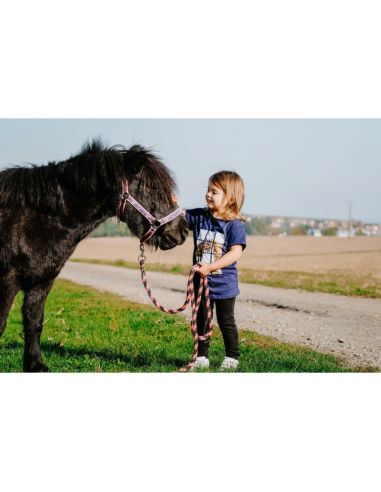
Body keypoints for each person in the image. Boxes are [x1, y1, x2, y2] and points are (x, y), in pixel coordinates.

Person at [184, 170, 246, 371]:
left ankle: (232, 356)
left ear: (230, 198)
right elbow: (178, 216)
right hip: (200, 283)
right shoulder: (200, 217)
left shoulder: (234, 224)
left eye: (214, 192)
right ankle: (201, 356)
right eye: (207, 190)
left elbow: (235, 253)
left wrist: (210, 267)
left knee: (226, 321)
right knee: (201, 319)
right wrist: (171, 202)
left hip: (224, 284)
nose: (208, 195)